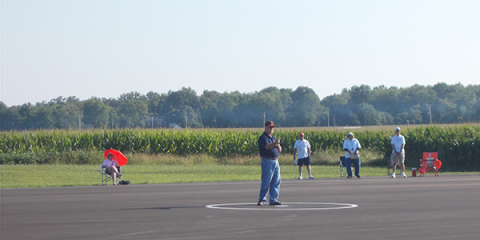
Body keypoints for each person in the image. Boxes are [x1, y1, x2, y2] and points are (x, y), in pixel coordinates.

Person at [257, 120, 282, 206]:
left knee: (276, 180)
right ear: (266, 127)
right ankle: (262, 199)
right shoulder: (263, 137)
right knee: (266, 181)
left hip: (275, 160)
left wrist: (278, 144)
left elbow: (280, 150)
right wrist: (274, 143)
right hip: (267, 160)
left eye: (273, 128)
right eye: (270, 127)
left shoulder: (273, 137)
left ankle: (273, 199)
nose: (271, 129)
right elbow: (267, 147)